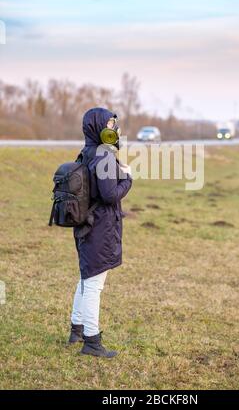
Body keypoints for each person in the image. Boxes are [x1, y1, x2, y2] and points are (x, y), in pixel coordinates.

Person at [68, 107, 132, 358]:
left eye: (114, 123)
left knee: (86, 279)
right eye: (109, 123)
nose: (114, 128)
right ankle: (91, 341)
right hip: (99, 227)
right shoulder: (104, 156)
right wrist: (128, 179)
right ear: (97, 127)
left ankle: (77, 329)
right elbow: (109, 195)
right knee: (94, 284)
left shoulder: (85, 152)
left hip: (85, 226)